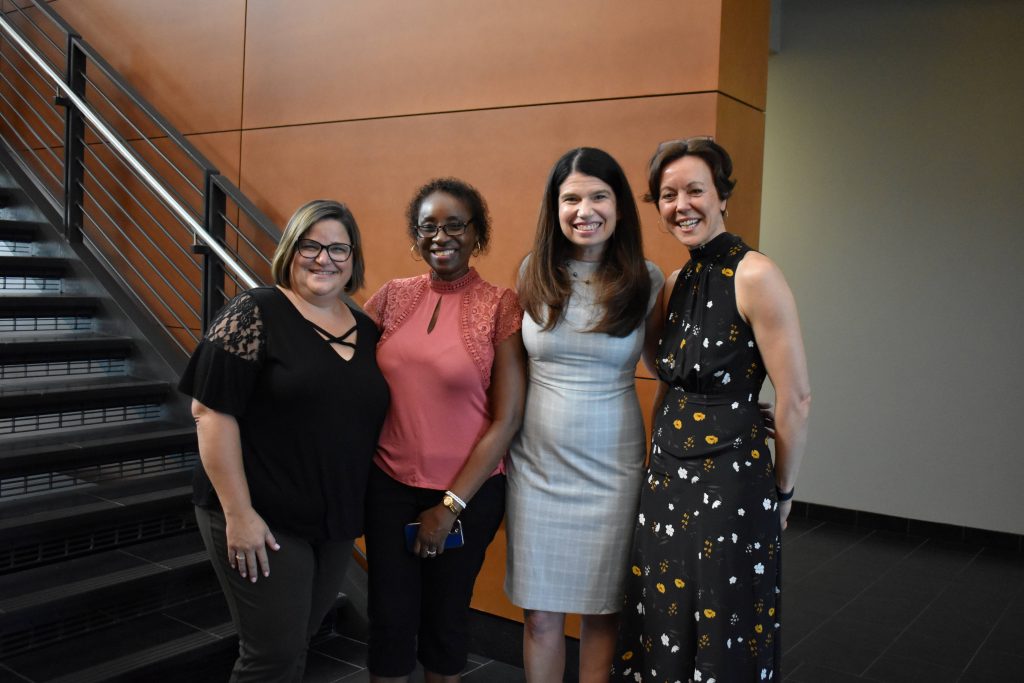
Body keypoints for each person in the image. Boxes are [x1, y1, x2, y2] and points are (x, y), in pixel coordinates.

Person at [613, 138, 811, 682]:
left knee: (723, 625)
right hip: (666, 479)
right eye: (668, 195)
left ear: (722, 196)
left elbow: (796, 398)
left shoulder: (755, 274)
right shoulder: (674, 283)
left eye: (695, 190)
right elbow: (664, 368)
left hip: (731, 483)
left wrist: (784, 490)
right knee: (662, 622)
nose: (682, 205)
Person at [179, 199, 390, 682]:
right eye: (310, 246)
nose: (324, 259)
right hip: (261, 514)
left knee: (298, 644)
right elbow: (209, 412)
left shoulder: (368, 329)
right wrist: (239, 515)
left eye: (339, 248)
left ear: (353, 258)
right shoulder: (253, 312)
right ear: (290, 250)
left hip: (332, 519)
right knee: (271, 655)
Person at [506, 147, 665, 682]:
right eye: (570, 197)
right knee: (540, 617)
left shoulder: (647, 280)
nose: (584, 209)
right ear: (554, 207)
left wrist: (730, 402)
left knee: (604, 614)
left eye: (599, 195)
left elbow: (673, 367)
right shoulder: (533, 272)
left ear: (619, 206)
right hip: (537, 467)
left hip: (613, 470)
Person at [362, 178, 526, 683]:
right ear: (416, 237)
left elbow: (508, 419)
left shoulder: (501, 305)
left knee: (446, 621)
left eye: (455, 225)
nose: (441, 236)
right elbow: (340, 362)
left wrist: (449, 506)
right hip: (388, 486)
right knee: (388, 622)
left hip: (468, 494)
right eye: (428, 226)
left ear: (477, 233)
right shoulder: (391, 297)